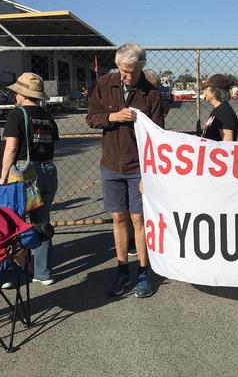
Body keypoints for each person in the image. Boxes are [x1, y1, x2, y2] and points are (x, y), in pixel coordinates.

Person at [86, 43, 164, 298]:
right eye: (123, 70)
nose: (127, 76)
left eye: (132, 71)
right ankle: (122, 269)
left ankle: (143, 271)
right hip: (110, 165)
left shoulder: (151, 93)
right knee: (118, 218)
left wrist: (149, 173)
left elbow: (156, 137)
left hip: (138, 168)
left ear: (142, 67)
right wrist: (112, 118)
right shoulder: (105, 83)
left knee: (139, 219)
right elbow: (91, 117)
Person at [0, 72, 59, 286]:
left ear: (23, 95)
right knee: (41, 223)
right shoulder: (46, 115)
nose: (15, 95)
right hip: (48, 169)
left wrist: (3, 177)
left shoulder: (17, 114)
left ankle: (15, 274)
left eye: (17, 92)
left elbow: (11, 148)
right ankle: (43, 273)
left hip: (25, 173)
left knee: (15, 223)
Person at [201, 74, 238, 141]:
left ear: (214, 92)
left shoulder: (224, 112)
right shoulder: (218, 110)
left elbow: (227, 144)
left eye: (206, 88)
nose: (203, 91)